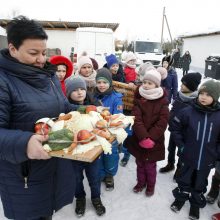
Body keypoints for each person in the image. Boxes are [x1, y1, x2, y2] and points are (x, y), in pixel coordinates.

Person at [0, 16, 78, 220]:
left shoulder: (47, 75)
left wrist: (86, 110)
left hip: (52, 168)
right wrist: (25, 143)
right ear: (13, 48)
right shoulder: (3, 81)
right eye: (34, 53)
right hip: (23, 177)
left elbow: (62, 108)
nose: (42, 59)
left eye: (44, 52)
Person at [170, 79, 220, 220]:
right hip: (188, 155)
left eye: (208, 94)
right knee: (184, 179)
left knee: (200, 183)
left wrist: (216, 153)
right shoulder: (188, 111)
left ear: (215, 97)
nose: (203, 97)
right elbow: (175, 128)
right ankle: (180, 198)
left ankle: (195, 204)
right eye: (201, 93)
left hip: (207, 160)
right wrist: (182, 145)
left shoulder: (218, 116)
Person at [124, 68, 169, 196]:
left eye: (150, 83)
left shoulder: (163, 101)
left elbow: (162, 122)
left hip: (155, 141)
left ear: (157, 85)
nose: (146, 85)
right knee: (140, 164)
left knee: (150, 166)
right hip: (139, 139)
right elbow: (136, 119)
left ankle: (150, 186)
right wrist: (143, 137)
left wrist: (151, 138)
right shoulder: (139, 99)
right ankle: (140, 183)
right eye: (145, 82)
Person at [65, 77, 106, 217]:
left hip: (92, 151)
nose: (79, 92)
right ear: (68, 93)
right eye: (75, 90)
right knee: (76, 179)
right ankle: (80, 198)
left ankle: (96, 198)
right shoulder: (66, 108)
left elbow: (102, 124)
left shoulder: (94, 103)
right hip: (74, 153)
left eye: (82, 89)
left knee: (94, 177)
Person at [159, 72, 202, 178]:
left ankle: (180, 168)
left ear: (191, 86)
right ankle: (170, 164)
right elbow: (173, 109)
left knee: (182, 151)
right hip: (174, 128)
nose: (181, 85)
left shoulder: (195, 101)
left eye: (184, 84)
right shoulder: (179, 95)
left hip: (185, 133)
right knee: (171, 148)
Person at [94, 67, 123, 191]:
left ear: (110, 83)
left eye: (104, 82)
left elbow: (118, 117)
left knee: (110, 155)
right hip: (98, 133)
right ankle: (100, 174)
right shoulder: (93, 96)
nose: (101, 85)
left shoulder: (116, 98)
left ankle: (109, 175)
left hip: (111, 133)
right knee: (99, 155)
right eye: (99, 82)